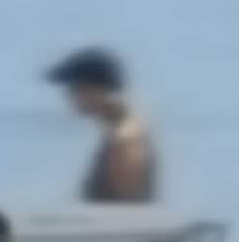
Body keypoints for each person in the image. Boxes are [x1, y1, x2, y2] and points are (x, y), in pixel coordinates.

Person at [45, 46, 160, 205]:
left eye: (75, 88)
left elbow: (125, 208)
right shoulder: (121, 132)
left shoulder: (125, 140)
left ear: (96, 89)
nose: (70, 97)